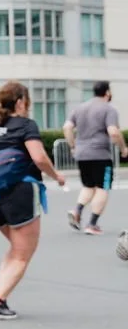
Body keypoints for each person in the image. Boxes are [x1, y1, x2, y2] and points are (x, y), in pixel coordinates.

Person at [0, 82, 64, 320]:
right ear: (21, 102)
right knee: (24, 252)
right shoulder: (26, 125)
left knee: (16, 248)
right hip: (21, 193)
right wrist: (57, 176)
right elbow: (39, 157)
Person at [64, 82, 127, 235]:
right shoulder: (109, 109)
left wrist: (73, 146)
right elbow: (113, 131)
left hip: (82, 154)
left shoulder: (80, 108)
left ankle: (77, 210)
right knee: (103, 187)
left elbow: (67, 127)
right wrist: (123, 148)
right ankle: (92, 224)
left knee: (88, 186)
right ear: (107, 92)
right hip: (100, 155)